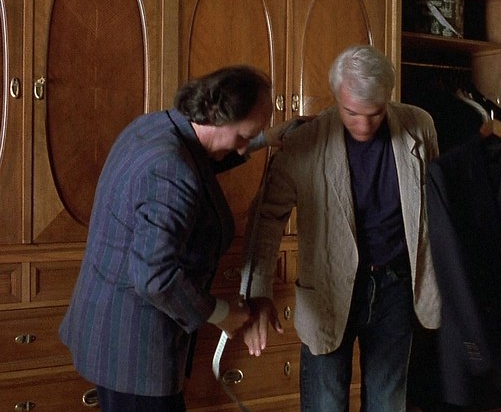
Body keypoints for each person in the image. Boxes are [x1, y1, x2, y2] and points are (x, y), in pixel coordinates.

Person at [59, 65, 283, 412]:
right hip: (134, 349)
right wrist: (221, 313)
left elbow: (201, 157)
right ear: (218, 117)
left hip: (108, 328)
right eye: (244, 137)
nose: (242, 150)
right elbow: (156, 277)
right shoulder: (171, 170)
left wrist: (267, 138)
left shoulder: (154, 127)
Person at [239, 45, 441, 412]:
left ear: (388, 98)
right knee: (325, 404)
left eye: (375, 113)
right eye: (352, 113)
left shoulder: (419, 125)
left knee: (388, 404)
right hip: (328, 291)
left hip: (396, 287)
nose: (363, 125)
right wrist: (257, 295)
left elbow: (435, 207)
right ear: (336, 98)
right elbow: (266, 218)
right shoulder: (305, 141)